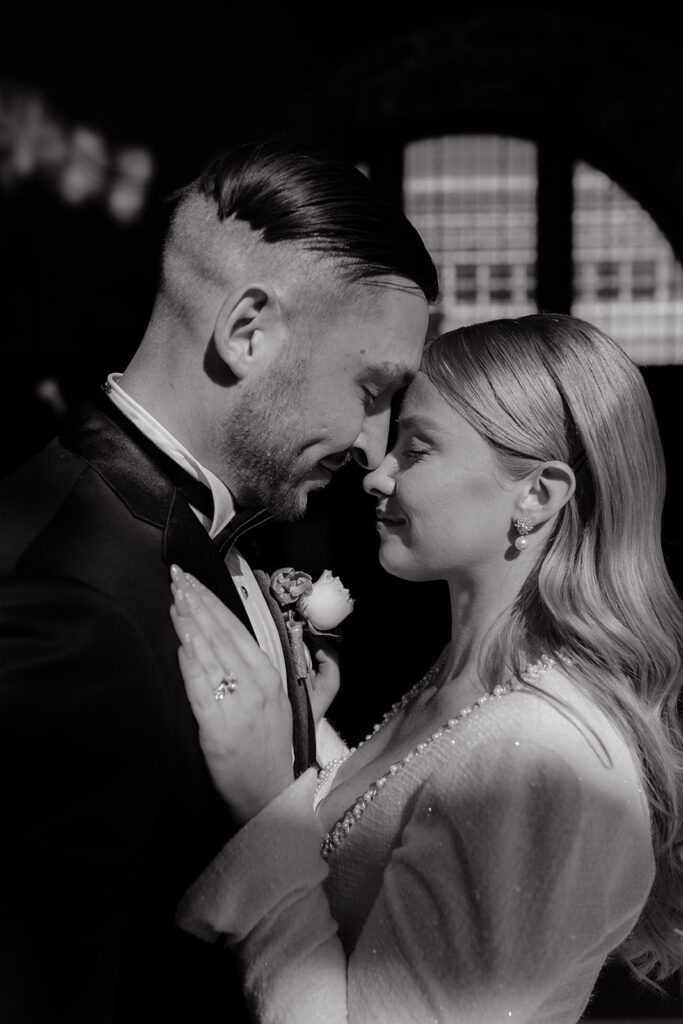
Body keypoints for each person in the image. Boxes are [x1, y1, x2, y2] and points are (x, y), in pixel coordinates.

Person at [0, 139, 438, 1023]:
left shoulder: (182, 533)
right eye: (370, 388)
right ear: (247, 331)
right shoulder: (70, 601)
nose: (376, 448)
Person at [170, 313, 683, 1023]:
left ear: (536, 494)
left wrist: (265, 806)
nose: (375, 475)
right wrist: (303, 731)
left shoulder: (536, 758)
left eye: (416, 449)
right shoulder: (473, 687)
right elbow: (395, 841)